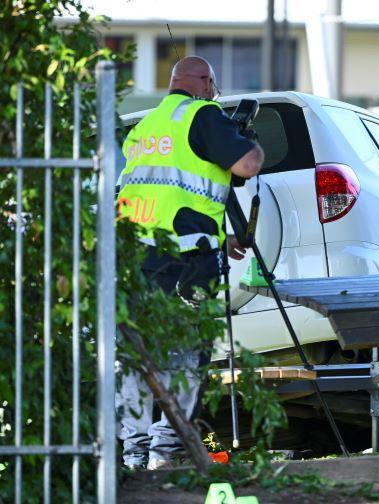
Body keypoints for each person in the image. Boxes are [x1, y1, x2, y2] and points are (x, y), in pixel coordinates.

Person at [115, 56, 264, 470]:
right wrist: (249, 139)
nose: (214, 94)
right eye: (212, 87)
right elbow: (246, 165)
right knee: (186, 356)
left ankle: (133, 453)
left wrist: (225, 235)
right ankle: (167, 451)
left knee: (137, 356)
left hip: (136, 259)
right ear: (202, 81)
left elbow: (167, 194)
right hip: (187, 263)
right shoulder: (203, 114)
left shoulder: (143, 128)